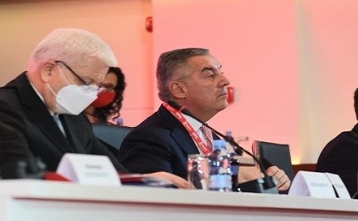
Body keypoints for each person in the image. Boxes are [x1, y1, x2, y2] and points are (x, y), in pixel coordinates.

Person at [0, 28, 190, 188]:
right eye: (86, 82)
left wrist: (146, 180)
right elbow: (19, 175)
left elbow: (111, 169)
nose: (93, 94)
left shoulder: (72, 116)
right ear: (48, 70)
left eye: (97, 86)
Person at [117, 48, 291, 190]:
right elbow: (154, 197)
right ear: (179, 89)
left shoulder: (212, 137)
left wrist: (268, 179)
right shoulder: (148, 138)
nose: (225, 80)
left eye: (221, 72)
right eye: (210, 75)